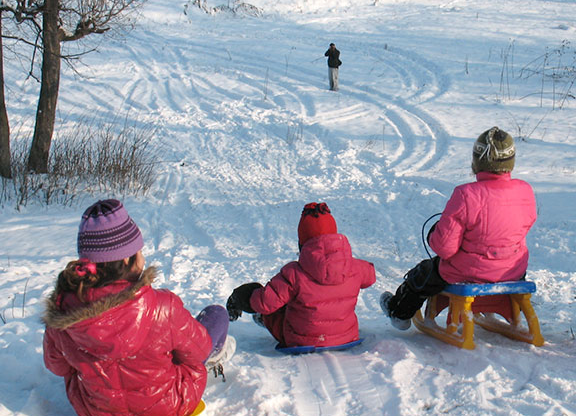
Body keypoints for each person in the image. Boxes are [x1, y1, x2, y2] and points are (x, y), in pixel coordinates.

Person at [42, 199, 233, 416]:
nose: (142, 257)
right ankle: (220, 352)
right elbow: (199, 351)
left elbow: (57, 366)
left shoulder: (64, 316)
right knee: (216, 315)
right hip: (172, 406)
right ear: (126, 258)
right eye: (139, 250)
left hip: (99, 415)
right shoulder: (163, 306)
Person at [380, 126, 538, 330]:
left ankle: (399, 312)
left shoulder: (467, 194)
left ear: (477, 161)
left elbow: (445, 248)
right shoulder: (524, 190)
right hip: (513, 270)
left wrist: (434, 235)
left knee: (424, 272)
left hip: (468, 273)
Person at [226, 202, 375, 348]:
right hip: (346, 336)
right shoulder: (355, 267)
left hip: (300, 340)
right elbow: (371, 276)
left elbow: (264, 302)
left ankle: (262, 318)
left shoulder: (294, 274)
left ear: (302, 242)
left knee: (273, 301)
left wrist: (240, 297)